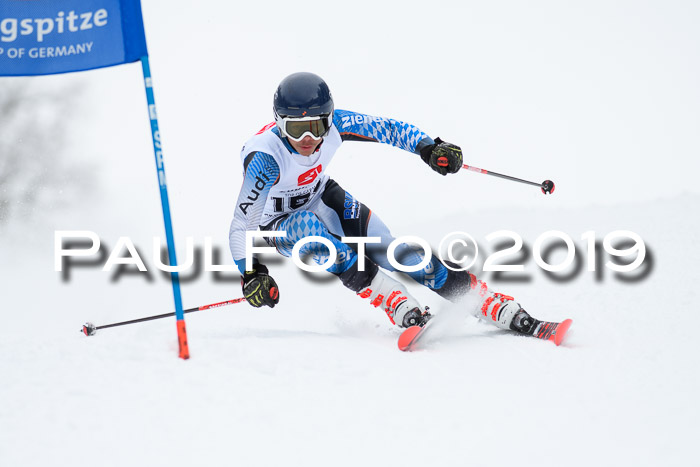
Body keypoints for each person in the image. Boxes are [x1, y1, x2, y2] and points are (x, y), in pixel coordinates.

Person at [229, 72, 542, 336]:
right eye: (296, 129)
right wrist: (250, 272)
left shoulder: (338, 123)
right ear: (278, 124)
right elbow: (242, 224)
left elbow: (389, 129)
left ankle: (480, 299)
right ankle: (392, 299)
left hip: (320, 196)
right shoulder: (265, 160)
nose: (309, 138)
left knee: (394, 250)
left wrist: (430, 148)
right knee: (318, 237)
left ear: (329, 118)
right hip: (278, 222)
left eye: (318, 126)